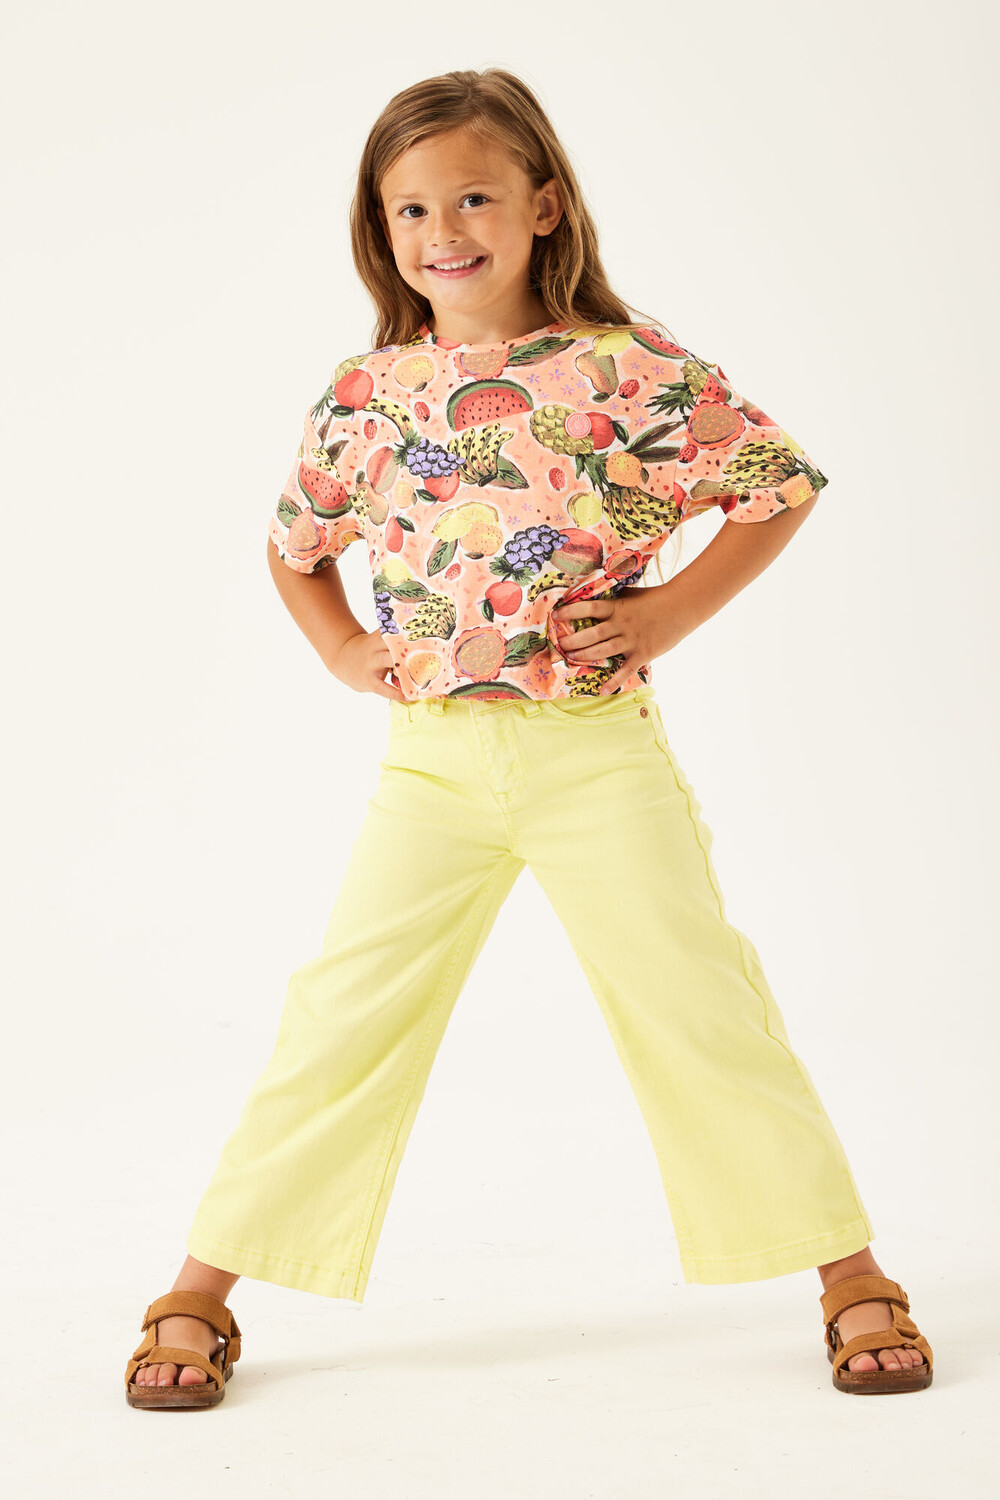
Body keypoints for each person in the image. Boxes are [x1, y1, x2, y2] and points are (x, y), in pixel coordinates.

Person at [125, 67, 933, 1407]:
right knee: (339, 1019)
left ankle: (848, 1271)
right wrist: (341, 648)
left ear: (545, 205)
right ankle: (201, 1288)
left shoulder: (628, 369)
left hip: (596, 755)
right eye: (410, 209)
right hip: (431, 767)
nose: (444, 231)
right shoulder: (369, 393)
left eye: (475, 198)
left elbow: (775, 488)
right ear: (380, 228)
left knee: (700, 1004)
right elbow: (295, 549)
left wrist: (666, 613)